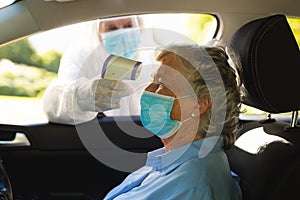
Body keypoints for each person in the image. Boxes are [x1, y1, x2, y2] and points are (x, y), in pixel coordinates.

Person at [104, 42, 243, 200]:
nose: (148, 90)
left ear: (200, 104)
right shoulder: (175, 160)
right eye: (153, 80)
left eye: (162, 83)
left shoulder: (193, 187)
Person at [43, 15, 152, 125]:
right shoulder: (80, 55)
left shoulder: (150, 57)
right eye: (112, 28)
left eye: (128, 25)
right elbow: (55, 105)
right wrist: (81, 97)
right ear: (97, 31)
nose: (122, 33)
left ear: (140, 26)